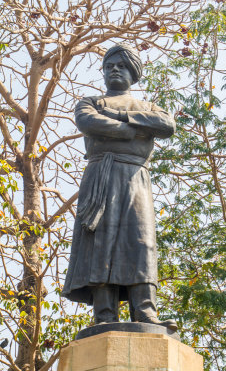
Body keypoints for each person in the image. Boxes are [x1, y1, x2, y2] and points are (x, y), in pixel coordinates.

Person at [62, 43, 177, 331]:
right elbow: (88, 122)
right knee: (100, 242)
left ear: (133, 73)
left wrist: (123, 116)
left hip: (135, 178)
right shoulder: (90, 102)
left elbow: (166, 125)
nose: (114, 69)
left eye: (122, 65)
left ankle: (146, 311)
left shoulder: (149, 107)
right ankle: (104, 315)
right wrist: (134, 131)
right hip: (100, 175)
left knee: (141, 242)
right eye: (109, 65)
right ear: (102, 72)